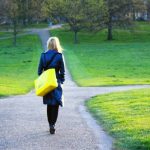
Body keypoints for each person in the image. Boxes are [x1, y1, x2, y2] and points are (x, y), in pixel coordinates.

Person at [38, 37, 65, 134]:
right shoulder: (59, 56)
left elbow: (39, 72)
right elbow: (63, 72)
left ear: (49, 44)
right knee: (56, 104)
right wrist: (61, 81)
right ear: (57, 44)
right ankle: (53, 124)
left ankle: (50, 124)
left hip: (47, 83)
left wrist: (45, 78)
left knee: (49, 104)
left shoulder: (43, 55)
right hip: (56, 83)